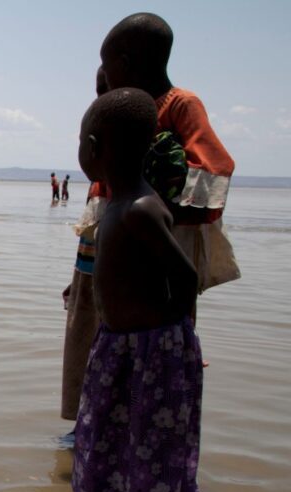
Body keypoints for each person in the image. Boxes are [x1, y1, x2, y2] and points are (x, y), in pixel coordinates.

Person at [64, 87, 213, 492]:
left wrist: (170, 339)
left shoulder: (142, 209)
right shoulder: (115, 203)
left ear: (93, 145)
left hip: (155, 350)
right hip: (117, 347)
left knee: (162, 447)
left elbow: (186, 277)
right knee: (102, 435)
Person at [100, 12, 239, 296]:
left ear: (125, 64)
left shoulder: (180, 104)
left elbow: (214, 167)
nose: (105, 73)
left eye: (106, 65)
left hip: (167, 242)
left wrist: (155, 214)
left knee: (167, 321)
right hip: (127, 237)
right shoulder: (128, 113)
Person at [60, 67, 110, 443]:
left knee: (106, 355)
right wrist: (75, 280)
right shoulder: (103, 178)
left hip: (117, 283)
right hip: (91, 272)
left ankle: (98, 431)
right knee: (86, 350)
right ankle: (86, 428)